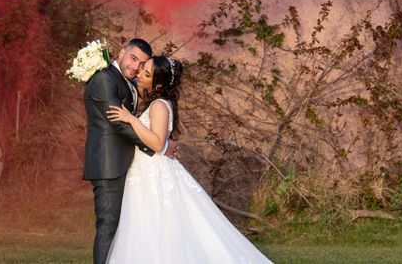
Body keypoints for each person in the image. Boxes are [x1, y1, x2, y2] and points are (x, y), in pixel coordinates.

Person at [106, 56, 274, 263]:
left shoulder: (158, 105)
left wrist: (131, 119)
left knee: (157, 224)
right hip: (144, 170)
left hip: (153, 171)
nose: (139, 74)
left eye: (146, 74)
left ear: (158, 84)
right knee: (145, 225)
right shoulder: (155, 102)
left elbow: (158, 144)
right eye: (142, 70)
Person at [82, 38, 155, 264]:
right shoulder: (104, 79)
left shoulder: (128, 82)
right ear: (121, 53)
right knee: (108, 225)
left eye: (142, 64)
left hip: (125, 163)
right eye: (133, 58)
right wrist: (155, 146)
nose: (136, 67)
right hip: (108, 164)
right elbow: (119, 123)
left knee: (123, 226)